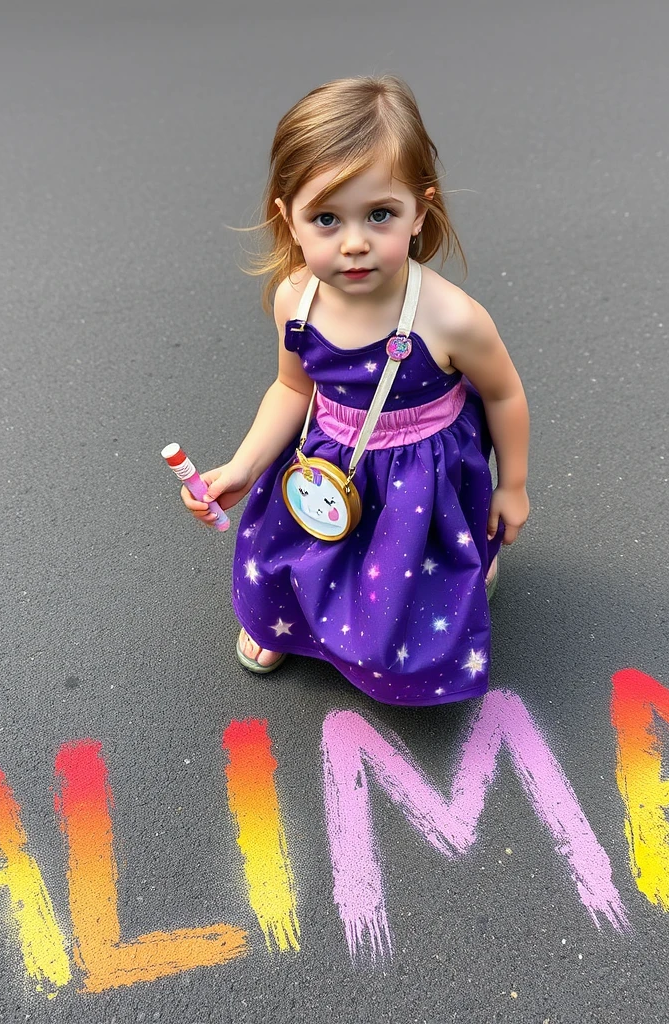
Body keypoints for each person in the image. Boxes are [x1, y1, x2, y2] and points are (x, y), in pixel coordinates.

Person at [182, 74, 530, 706]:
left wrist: (511, 486)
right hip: (327, 461)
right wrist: (244, 462)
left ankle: (463, 572)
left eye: (380, 214)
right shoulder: (297, 299)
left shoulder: (451, 317)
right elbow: (292, 389)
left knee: (409, 584)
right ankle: (280, 618)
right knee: (291, 547)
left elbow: (504, 395)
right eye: (326, 218)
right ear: (288, 216)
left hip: (421, 477)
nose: (354, 243)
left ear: (420, 208)